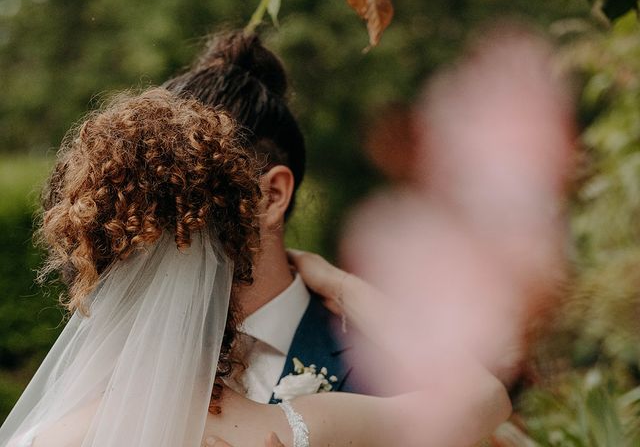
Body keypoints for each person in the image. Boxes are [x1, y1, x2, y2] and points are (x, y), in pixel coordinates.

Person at [0, 86, 511, 447]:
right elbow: (481, 397)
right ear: (231, 249)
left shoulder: (45, 437)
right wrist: (341, 284)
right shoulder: (301, 429)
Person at [163, 30, 371, 402]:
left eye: (191, 188)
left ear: (271, 195)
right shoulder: (138, 359)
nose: (163, 216)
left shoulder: (380, 362)